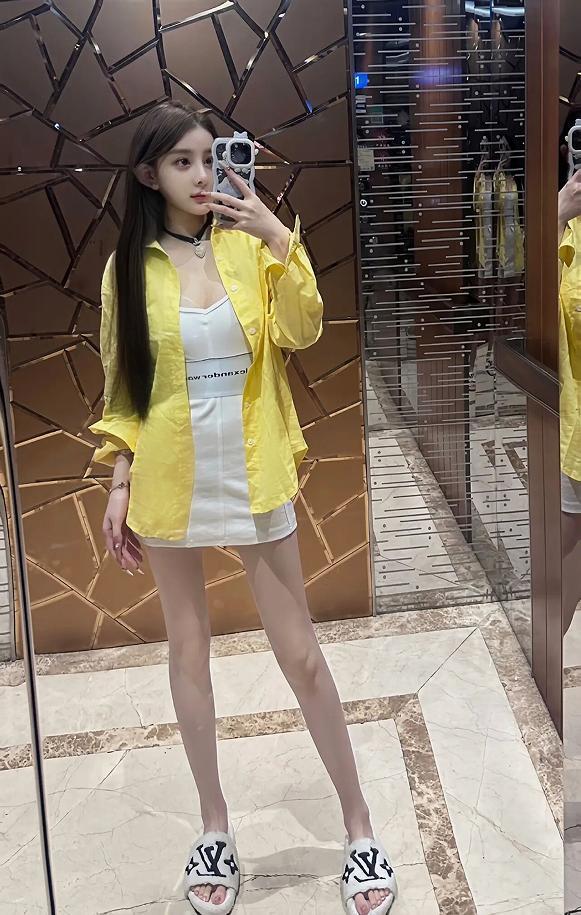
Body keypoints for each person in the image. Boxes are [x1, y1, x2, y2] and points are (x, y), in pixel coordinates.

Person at [88, 100, 397, 915]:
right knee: (188, 653)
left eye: (209, 158)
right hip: (171, 477)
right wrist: (118, 478)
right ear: (148, 174)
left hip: (253, 471)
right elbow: (124, 388)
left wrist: (274, 234)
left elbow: (303, 328)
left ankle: (359, 827)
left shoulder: (249, 242)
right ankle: (214, 826)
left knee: (301, 655)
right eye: (182, 162)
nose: (202, 175)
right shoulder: (127, 270)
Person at [558, 163, 581, 635]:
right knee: (563, 554)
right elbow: (533, 314)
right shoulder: (567, 228)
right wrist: (556, 215)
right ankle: (547, 663)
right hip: (573, 420)